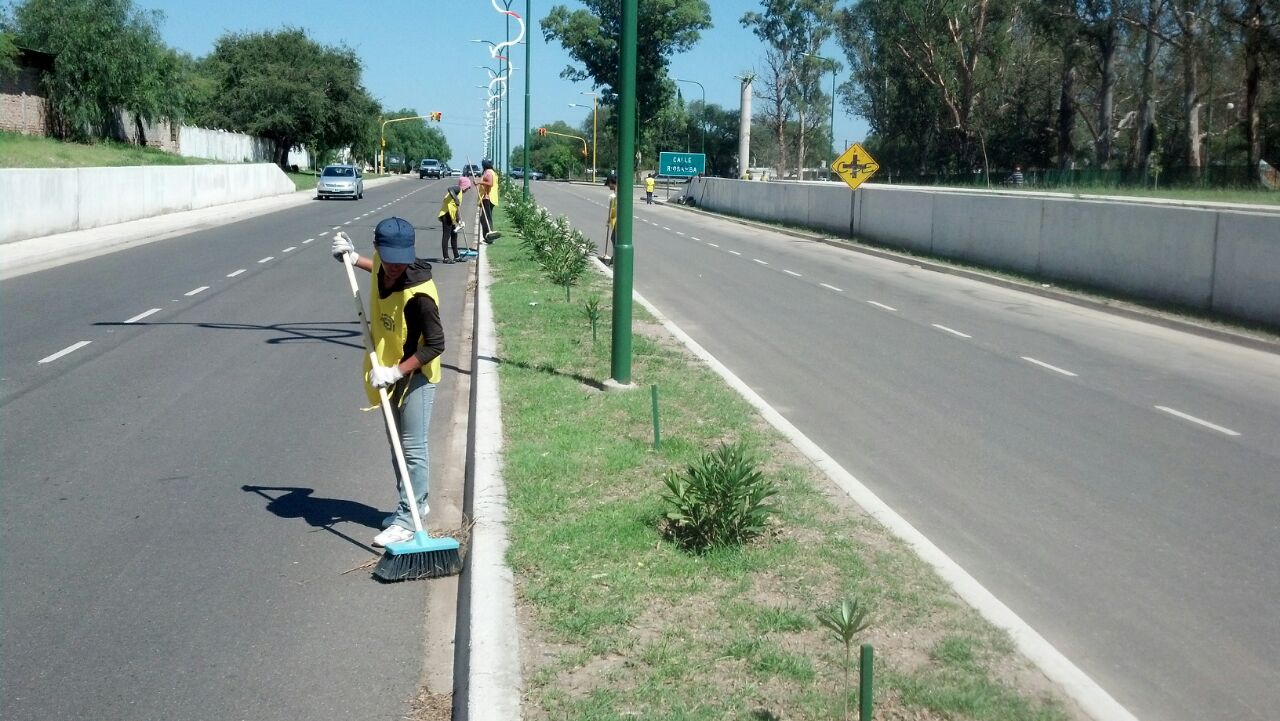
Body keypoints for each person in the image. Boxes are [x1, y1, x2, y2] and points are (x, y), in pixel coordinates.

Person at [330, 219, 445, 548]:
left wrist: (396, 371)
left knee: (413, 448)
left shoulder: (420, 295)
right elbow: (378, 266)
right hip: (389, 370)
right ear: (379, 248)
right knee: (397, 448)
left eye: (401, 261)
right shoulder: (384, 260)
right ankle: (412, 505)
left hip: (416, 376)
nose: (394, 267)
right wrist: (353, 259)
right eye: (388, 259)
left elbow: (436, 344)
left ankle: (410, 520)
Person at [437, 176, 472, 264]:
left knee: (454, 235)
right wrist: (455, 198)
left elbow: (456, 208)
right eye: (468, 187)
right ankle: (446, 258)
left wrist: (459, 220)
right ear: (464, 186)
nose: (468, 190)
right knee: (446, 236)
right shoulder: (458, 189)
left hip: (451, 215)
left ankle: (456, 256)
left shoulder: (460, 194)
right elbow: (450, 189)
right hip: (446, 214)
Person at [478, 159, 500, 242]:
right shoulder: (491, 172)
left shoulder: (488, 172)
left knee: (486, 218)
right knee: (485, 218)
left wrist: (480, 182)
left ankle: (489, 236)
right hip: (488, 198)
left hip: (488, 198)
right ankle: (487, 236)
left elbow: (490, 183)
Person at [603, 174, 618, 263]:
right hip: (615, 220)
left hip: (617, 221)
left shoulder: (616, 194)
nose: (608, 186)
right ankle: (614, 258)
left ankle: (616, 258)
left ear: (612, 183)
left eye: (608, 184)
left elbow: (614, 208)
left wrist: (609, 218)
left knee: (614, 239)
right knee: (614, 239)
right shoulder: (615, 194)